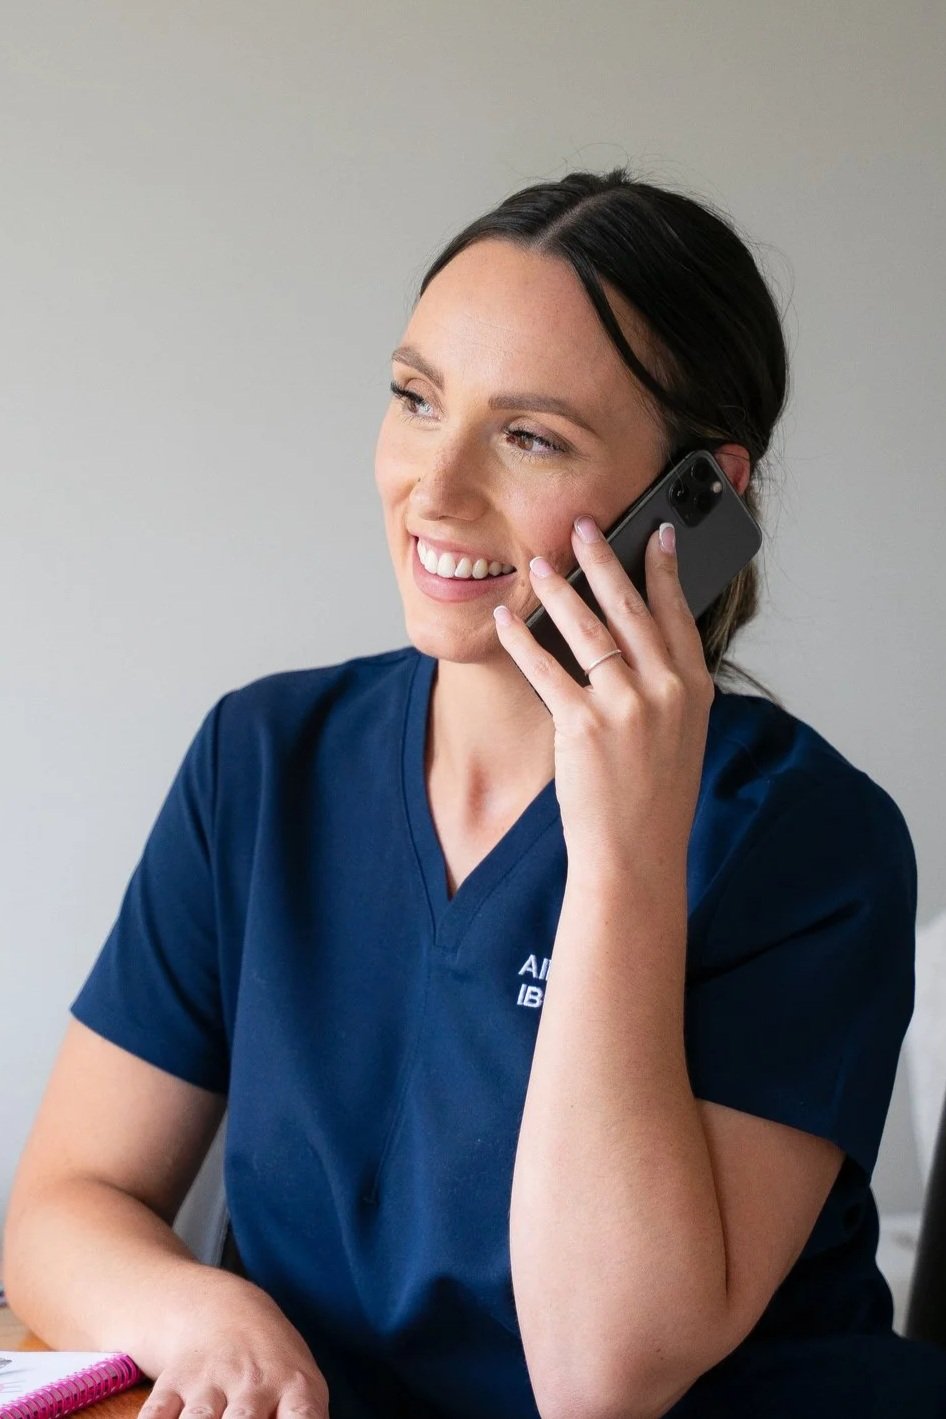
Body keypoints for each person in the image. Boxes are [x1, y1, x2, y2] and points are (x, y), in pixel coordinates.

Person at [5, 167, 946, 1419]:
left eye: (529, 436)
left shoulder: (805, 840)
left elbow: (602, 1376)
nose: (432, 493)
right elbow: (70, 1200)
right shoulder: (263, 758)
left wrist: (618, 854)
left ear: (696, 500)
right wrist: (206, 1315)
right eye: (415, 400)